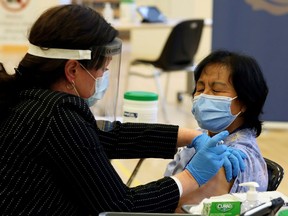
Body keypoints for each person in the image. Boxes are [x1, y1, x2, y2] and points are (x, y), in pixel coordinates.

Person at [0, 5, 246, 215]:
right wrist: (191, 177)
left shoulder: (27, 96)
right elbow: (119, 207)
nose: (104, 75)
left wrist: (192, 136)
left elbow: (104, 137)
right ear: (72, 70)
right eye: (102, 69)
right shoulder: (56, 118)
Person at [164, 50, 269, 209]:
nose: (204, 96)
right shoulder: (201, 138)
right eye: (200, 88)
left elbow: (184, 210)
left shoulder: (233, 160)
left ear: (245, 102)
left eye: (217, 90)